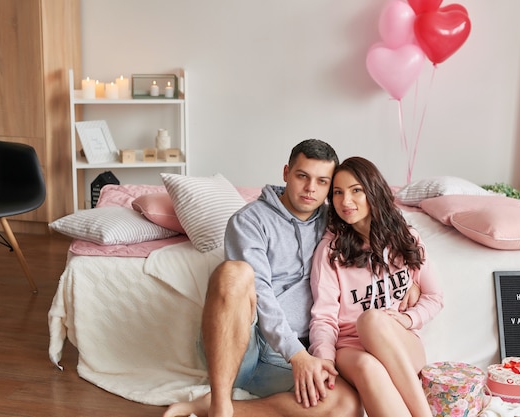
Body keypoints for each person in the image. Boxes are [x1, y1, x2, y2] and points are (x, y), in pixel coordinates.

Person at [164, 141, 420, 417]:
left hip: (292, 354)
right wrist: (296, 355)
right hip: (241, 346)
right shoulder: (249, 221)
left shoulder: (334, 221)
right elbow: (259, 292)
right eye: (302, 176)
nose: (311, 188)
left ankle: (217, 408)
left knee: (345, 403)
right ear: (286, 173)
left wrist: (409, 278)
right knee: (233, 272)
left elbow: (383, 226)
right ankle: (220, 405)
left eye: (322, 181)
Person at [307, 156, 444, 417]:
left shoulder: (406, 238)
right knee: (369, 365)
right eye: (338, 193)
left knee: (372, 320)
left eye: (356, 190)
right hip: (350, 348)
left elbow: (434, 296)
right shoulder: (330, 251)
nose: (346, 201)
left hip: (399, 344)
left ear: (373, 190)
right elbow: (323, 317)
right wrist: (324, 359)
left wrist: (406, 319)